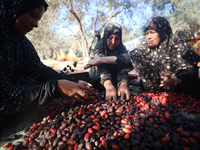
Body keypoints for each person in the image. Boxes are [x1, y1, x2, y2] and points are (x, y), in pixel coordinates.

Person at [0, 0, 93, 129]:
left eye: (38, 19)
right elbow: (3, 98)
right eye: (33, 15)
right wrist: (54, 87)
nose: (36, 24)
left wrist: (71, 80)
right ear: (15, 8)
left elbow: (38, 69)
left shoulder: (21, 41)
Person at [85, 16, 200, 98]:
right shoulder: (145, 48)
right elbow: (127, 59)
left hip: (182, 93)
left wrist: (175, 80)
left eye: (152, 32)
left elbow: (192, 71)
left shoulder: (179, 45)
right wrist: (101, 60)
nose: (148, 37)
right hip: (156, 92)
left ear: (162, 32)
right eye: (146, 33)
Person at [89, 23, 132, 101]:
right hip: (99, 77)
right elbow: (101, 67)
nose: (113, 42)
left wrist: (123, 83)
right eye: (110, 38)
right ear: (106, 37)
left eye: (117, 38)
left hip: (115, 77)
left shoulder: (122, 48)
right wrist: (108, 84)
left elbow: (123, 68)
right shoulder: (100, 46)